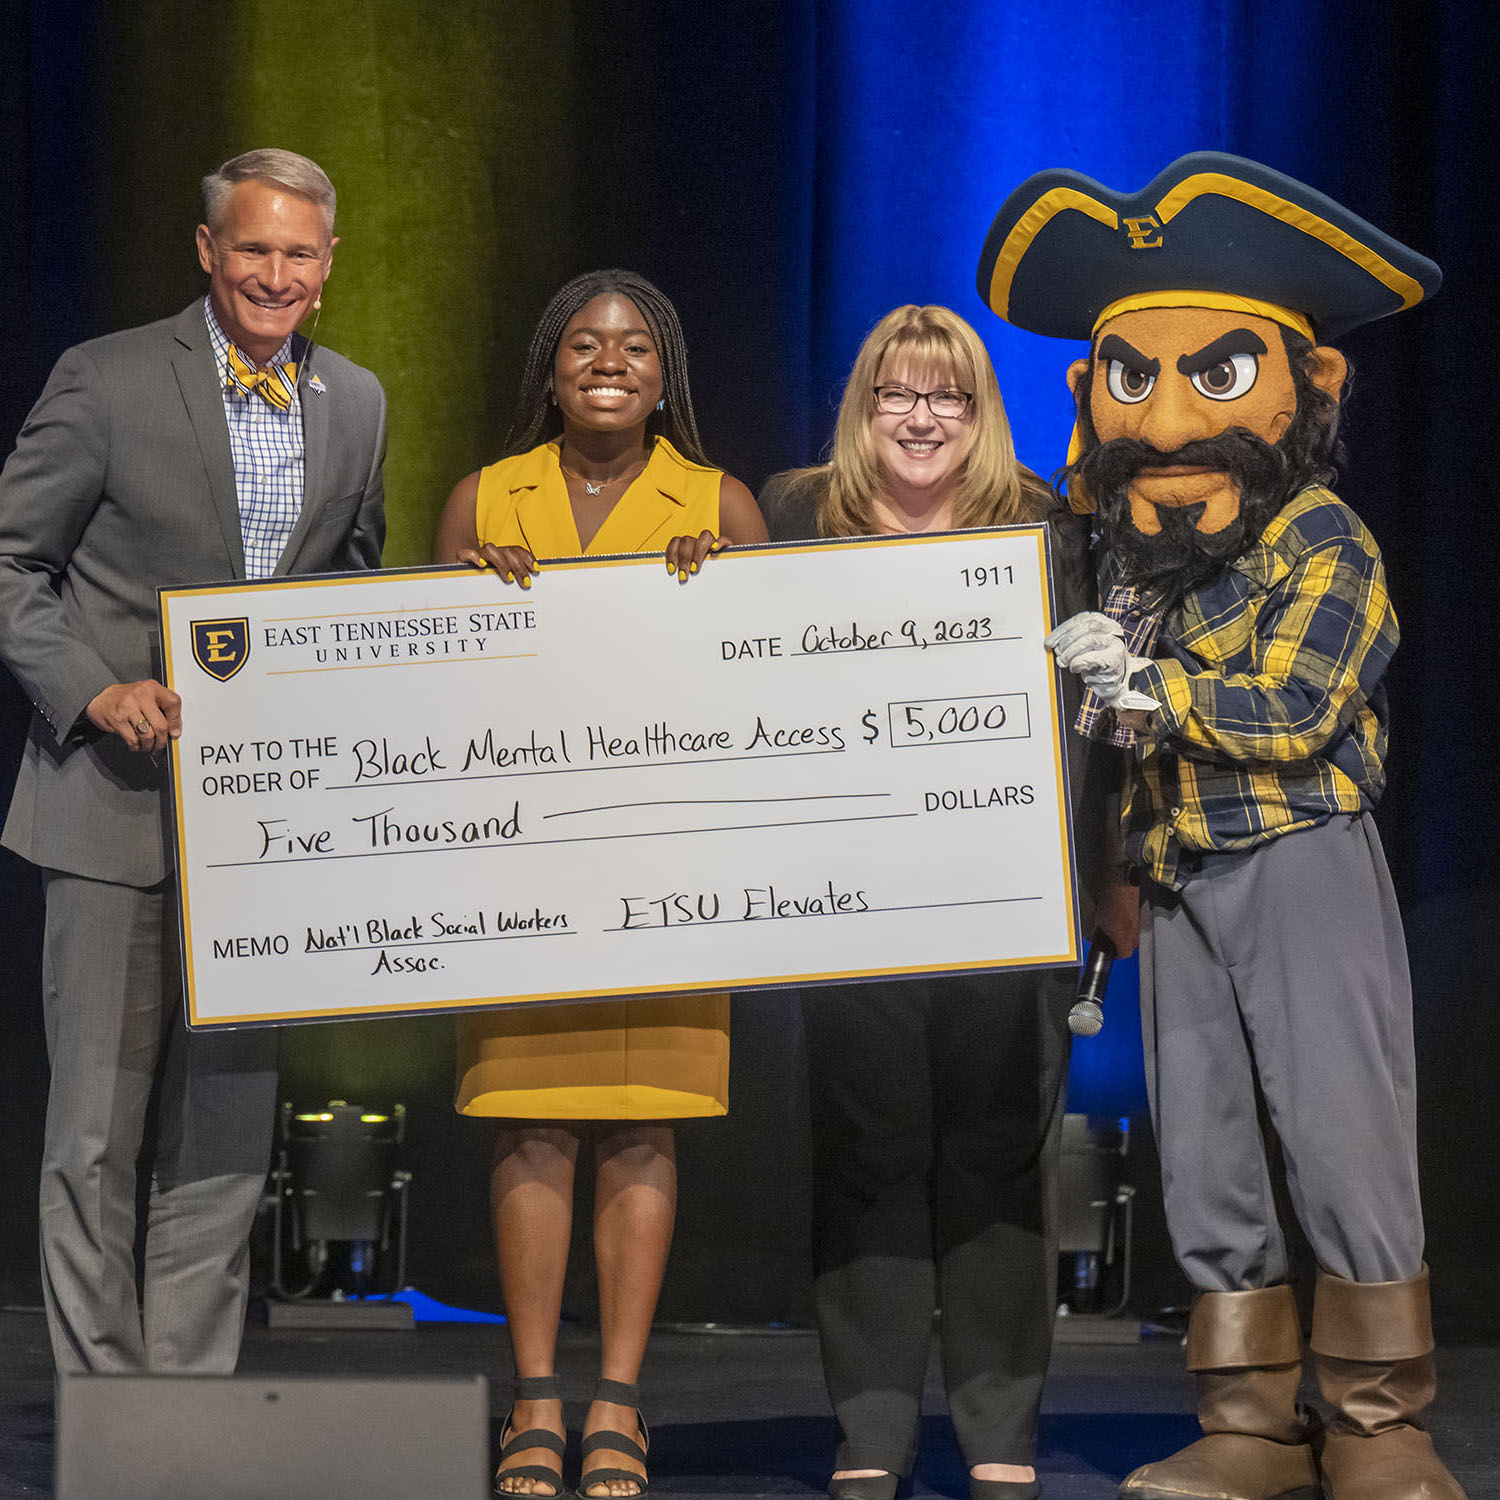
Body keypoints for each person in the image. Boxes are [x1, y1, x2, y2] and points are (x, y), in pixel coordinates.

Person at [980, 152, 1464, 1500]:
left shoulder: (1323, 539)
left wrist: (1153, 687)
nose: (1175, 420)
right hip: (1176, 876)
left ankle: (1376, 1418)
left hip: (1299, 858)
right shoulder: (1120, 553)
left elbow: (1302, 704)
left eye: (1216, 375)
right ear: (1090, 397)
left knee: (1342, 1132)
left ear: (1307, 390)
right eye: (1135, 379)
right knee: (1202, 1143)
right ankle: (1247, 1417)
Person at [0, 148, 386, 1376]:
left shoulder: (358, 403)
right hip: (110, 813)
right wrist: (92, 689)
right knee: (96, 1139)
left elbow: (350, 584)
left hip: (264, 838)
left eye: (299, 253)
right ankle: (107, 1410)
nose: (276, 273)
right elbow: (13, 564)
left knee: (225, 1141)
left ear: (329, 268)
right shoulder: (107, 380)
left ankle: (189, 1406)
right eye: (254, 249)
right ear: (209, 252)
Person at [759, 304, 1128, 1500]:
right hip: (846, 899)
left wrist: (1110, 873)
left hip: (1008, 903)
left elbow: (1102, 722)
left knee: (998, 1154)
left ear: (980, 413)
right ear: (863, 408)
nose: (921, 419)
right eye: (895, 395)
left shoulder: (1050, 527)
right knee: (865, 1156)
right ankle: (870, 1425)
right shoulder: (790, 518)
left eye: (949, 397)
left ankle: (997, 1424)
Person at [433, 268, 766, 1499]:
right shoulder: (483, 499)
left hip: (666, 863)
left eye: (633, 345)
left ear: (664, 373)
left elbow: (765, 689)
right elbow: (430, 689)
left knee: (642, 1123)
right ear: (552, 367)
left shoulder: (719, 503)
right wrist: (457, 604)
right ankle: (534, 1397)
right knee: (530, 1124)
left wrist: (726, 587)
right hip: (523, 860)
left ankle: (617, 1401)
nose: (609, 360)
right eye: (584, 343)